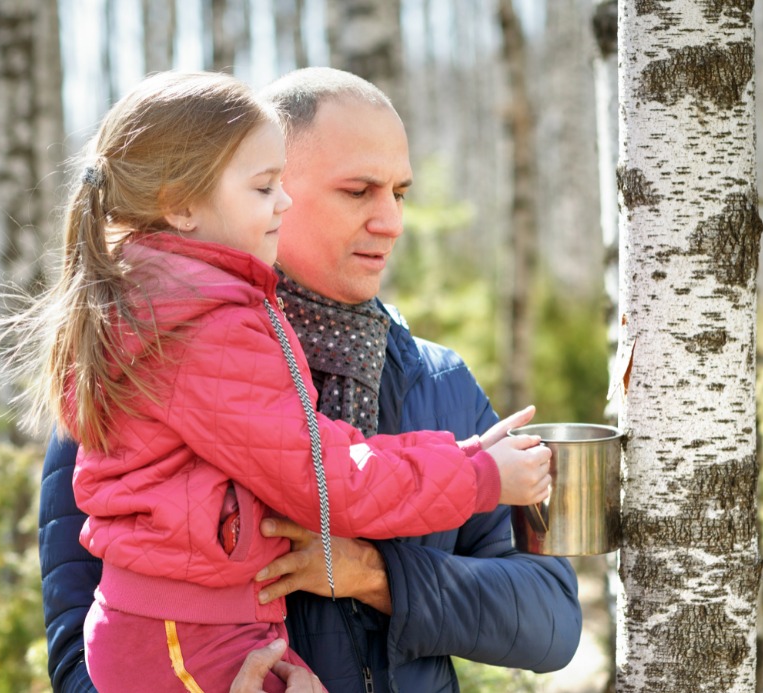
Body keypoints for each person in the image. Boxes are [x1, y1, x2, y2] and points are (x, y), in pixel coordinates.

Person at [38, 67, 583, 692]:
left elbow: (552, 619)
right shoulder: (130, 362)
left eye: (400, 194)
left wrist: (376, 575)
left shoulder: (437, 381)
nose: (391, 221)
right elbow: (84, 654)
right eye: (358, 191)